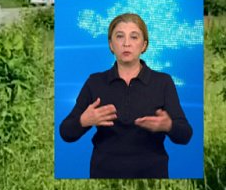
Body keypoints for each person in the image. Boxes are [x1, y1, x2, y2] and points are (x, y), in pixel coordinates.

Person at [58, 12, 193, 179]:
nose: (126, 43)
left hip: (152, 178)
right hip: (103, 176)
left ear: (144, 45)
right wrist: (83, 121)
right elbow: (65, 132)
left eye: (134, 37)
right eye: (119, 36)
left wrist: (169, 126)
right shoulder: (95, 82)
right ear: (111, 45)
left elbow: (185, 135)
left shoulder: (163, 82)